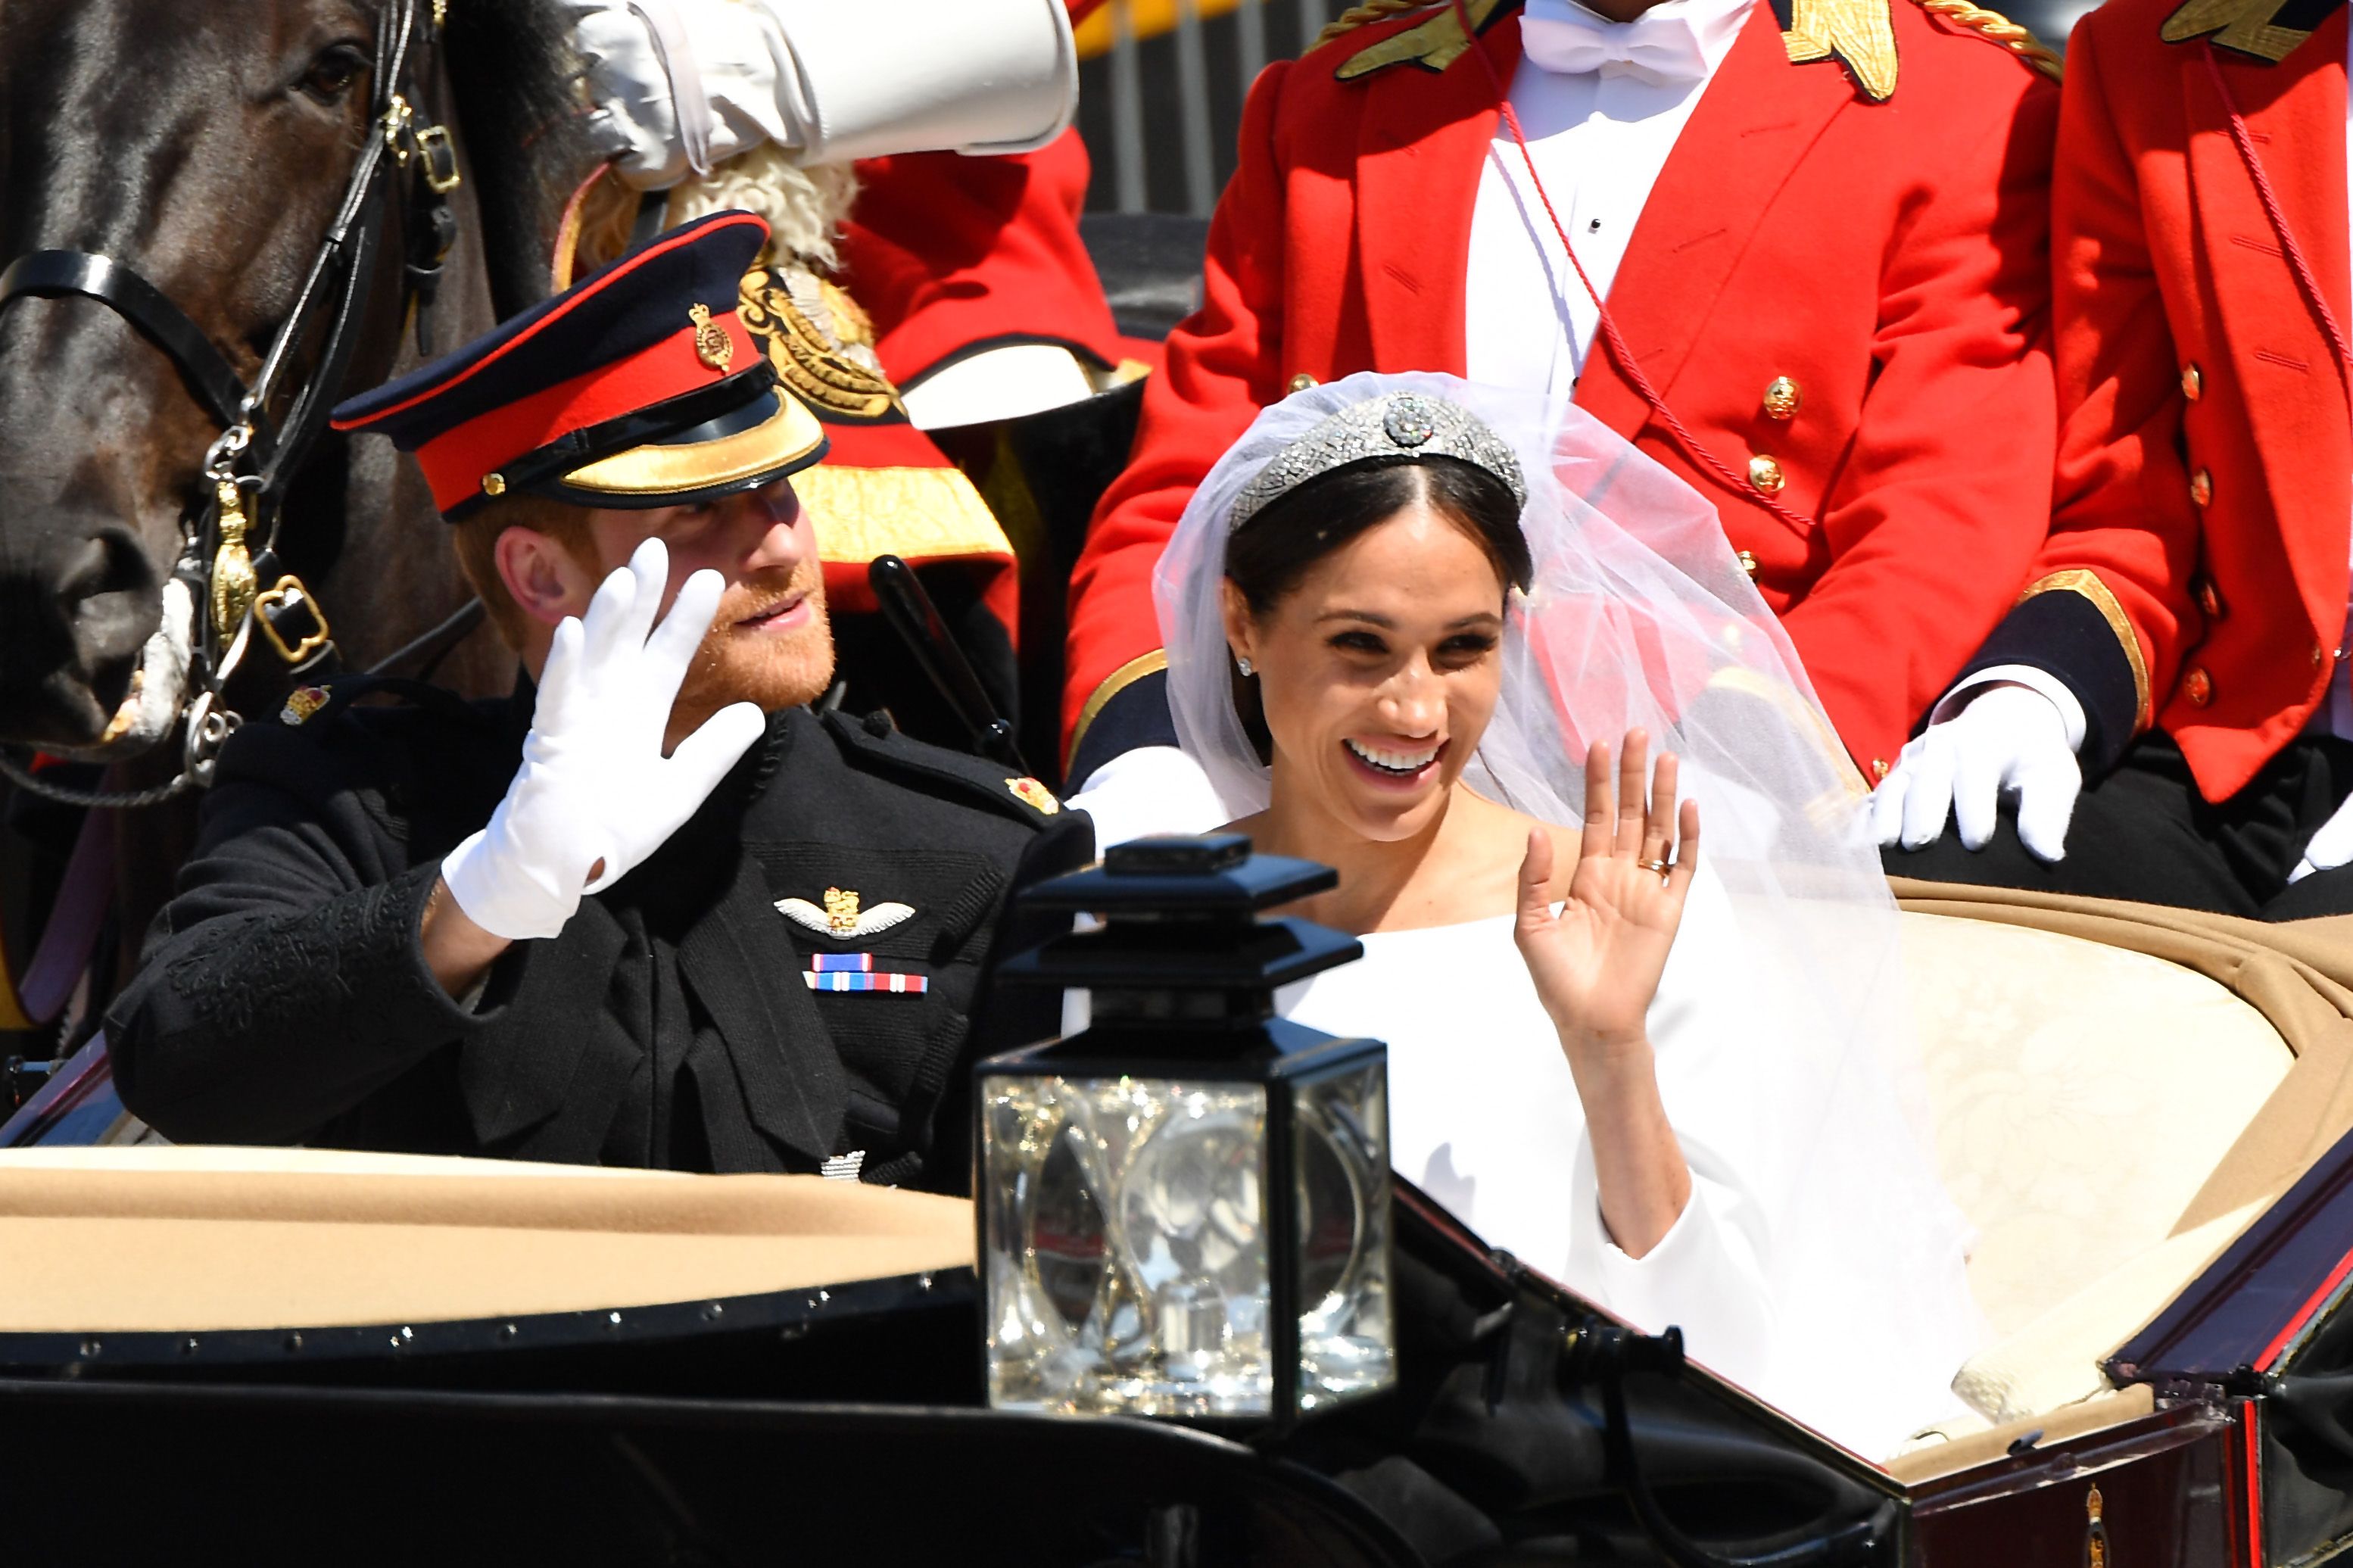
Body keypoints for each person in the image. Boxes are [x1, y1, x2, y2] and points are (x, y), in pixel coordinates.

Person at [1080, 373, 1980, 1458]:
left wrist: (1609, 1048)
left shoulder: (1622, 909)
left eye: (1462, 648)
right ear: (1243, 622)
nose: (1417, 709)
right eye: (1360, 646)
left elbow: (1730, 1359)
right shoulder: (1149, 916)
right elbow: (1112, 1337)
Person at [103, 211, 1089, 1180]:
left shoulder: (977, 852)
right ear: (538, 575)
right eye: (705, 509)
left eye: (784, 485)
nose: (786, 545)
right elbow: (176, 1061)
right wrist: (479, 899)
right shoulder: (352, 803)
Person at [1059, 0, 2064, 805]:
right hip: (1341, 785)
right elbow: (1188, 492)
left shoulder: (1958, 106)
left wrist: (1756, 770)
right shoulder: (1335, 106)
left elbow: (1945, 512)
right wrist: (1152, 752)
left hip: (1704, 793)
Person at [1873, 0, 2353, 919]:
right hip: (2239, 732)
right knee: (1935, 880)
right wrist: (2032, 693)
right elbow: (2126, 492)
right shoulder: (2153, 49)